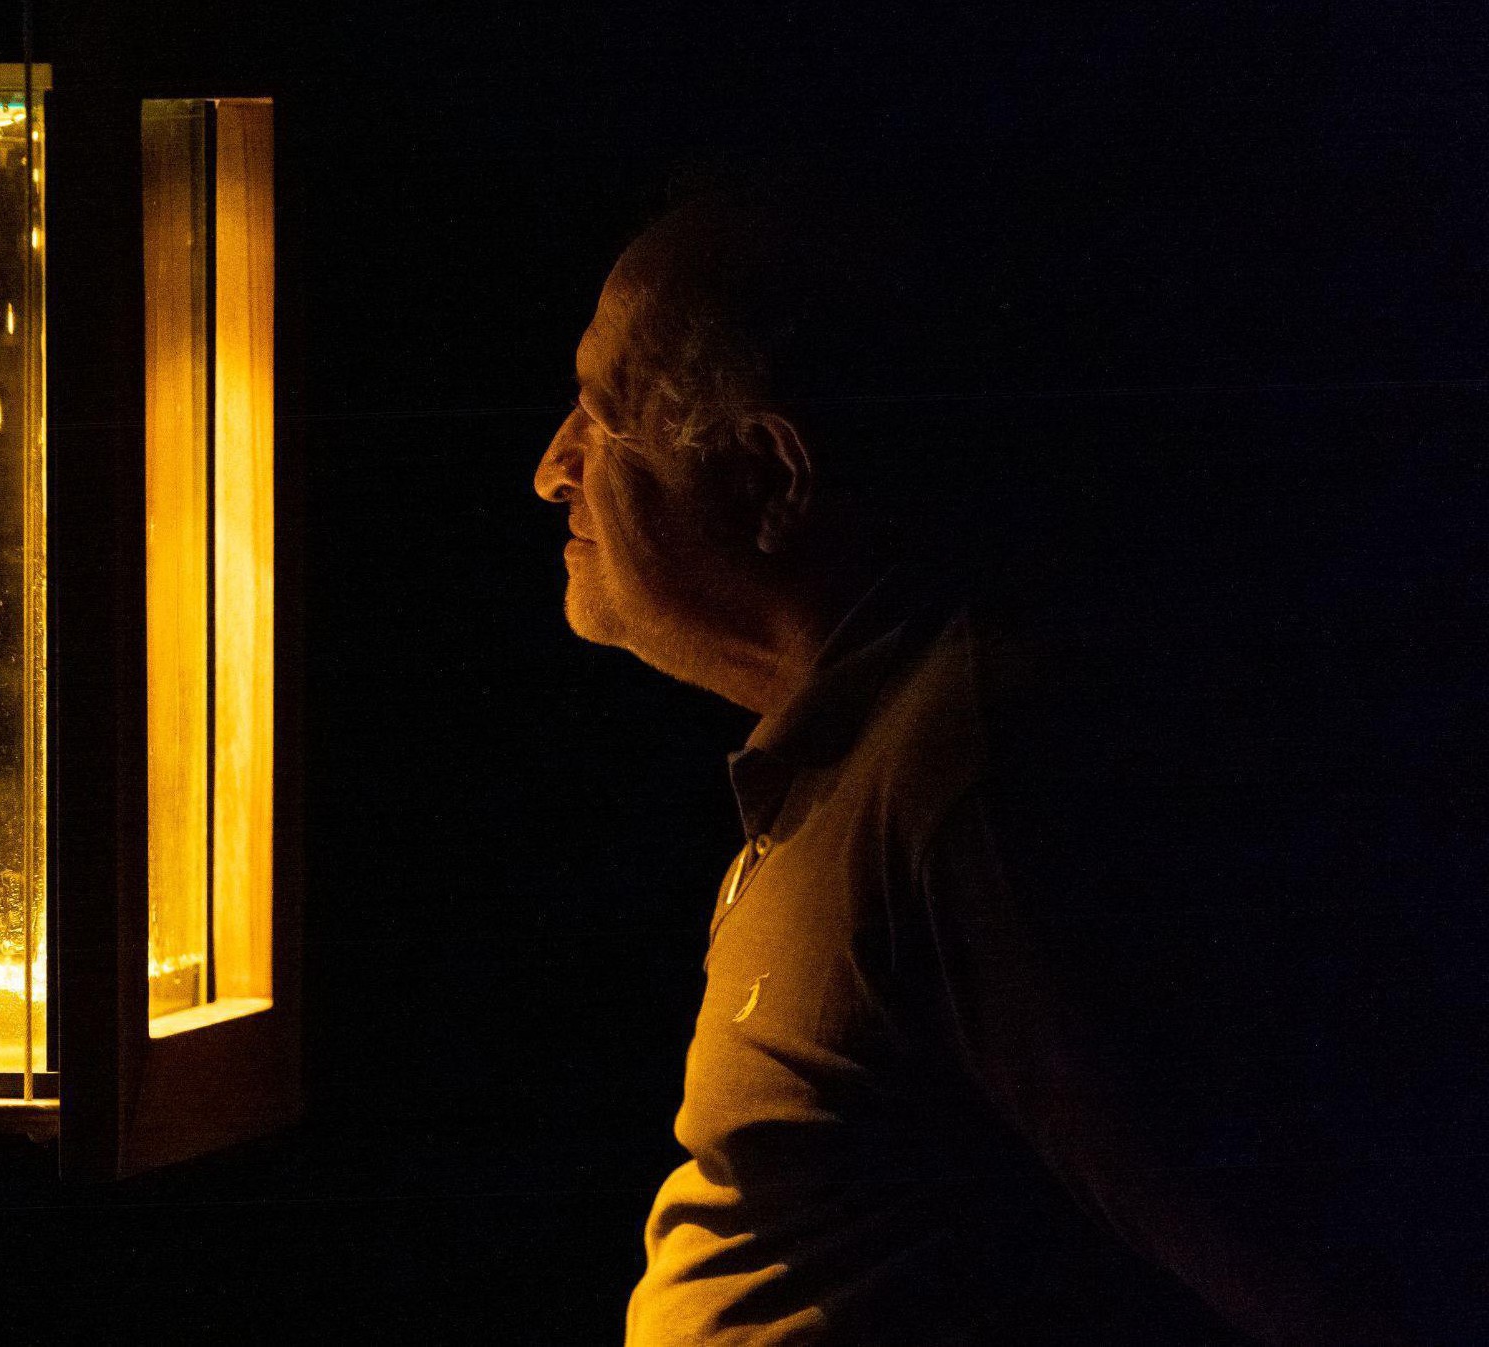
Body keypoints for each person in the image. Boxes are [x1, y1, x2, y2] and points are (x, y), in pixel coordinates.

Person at [531, 189, 1423, 1345]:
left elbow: (1297, 1263)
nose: (552, 469)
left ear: (768, 476)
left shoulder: (971, 786)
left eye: (600, 418)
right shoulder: (846, 767)